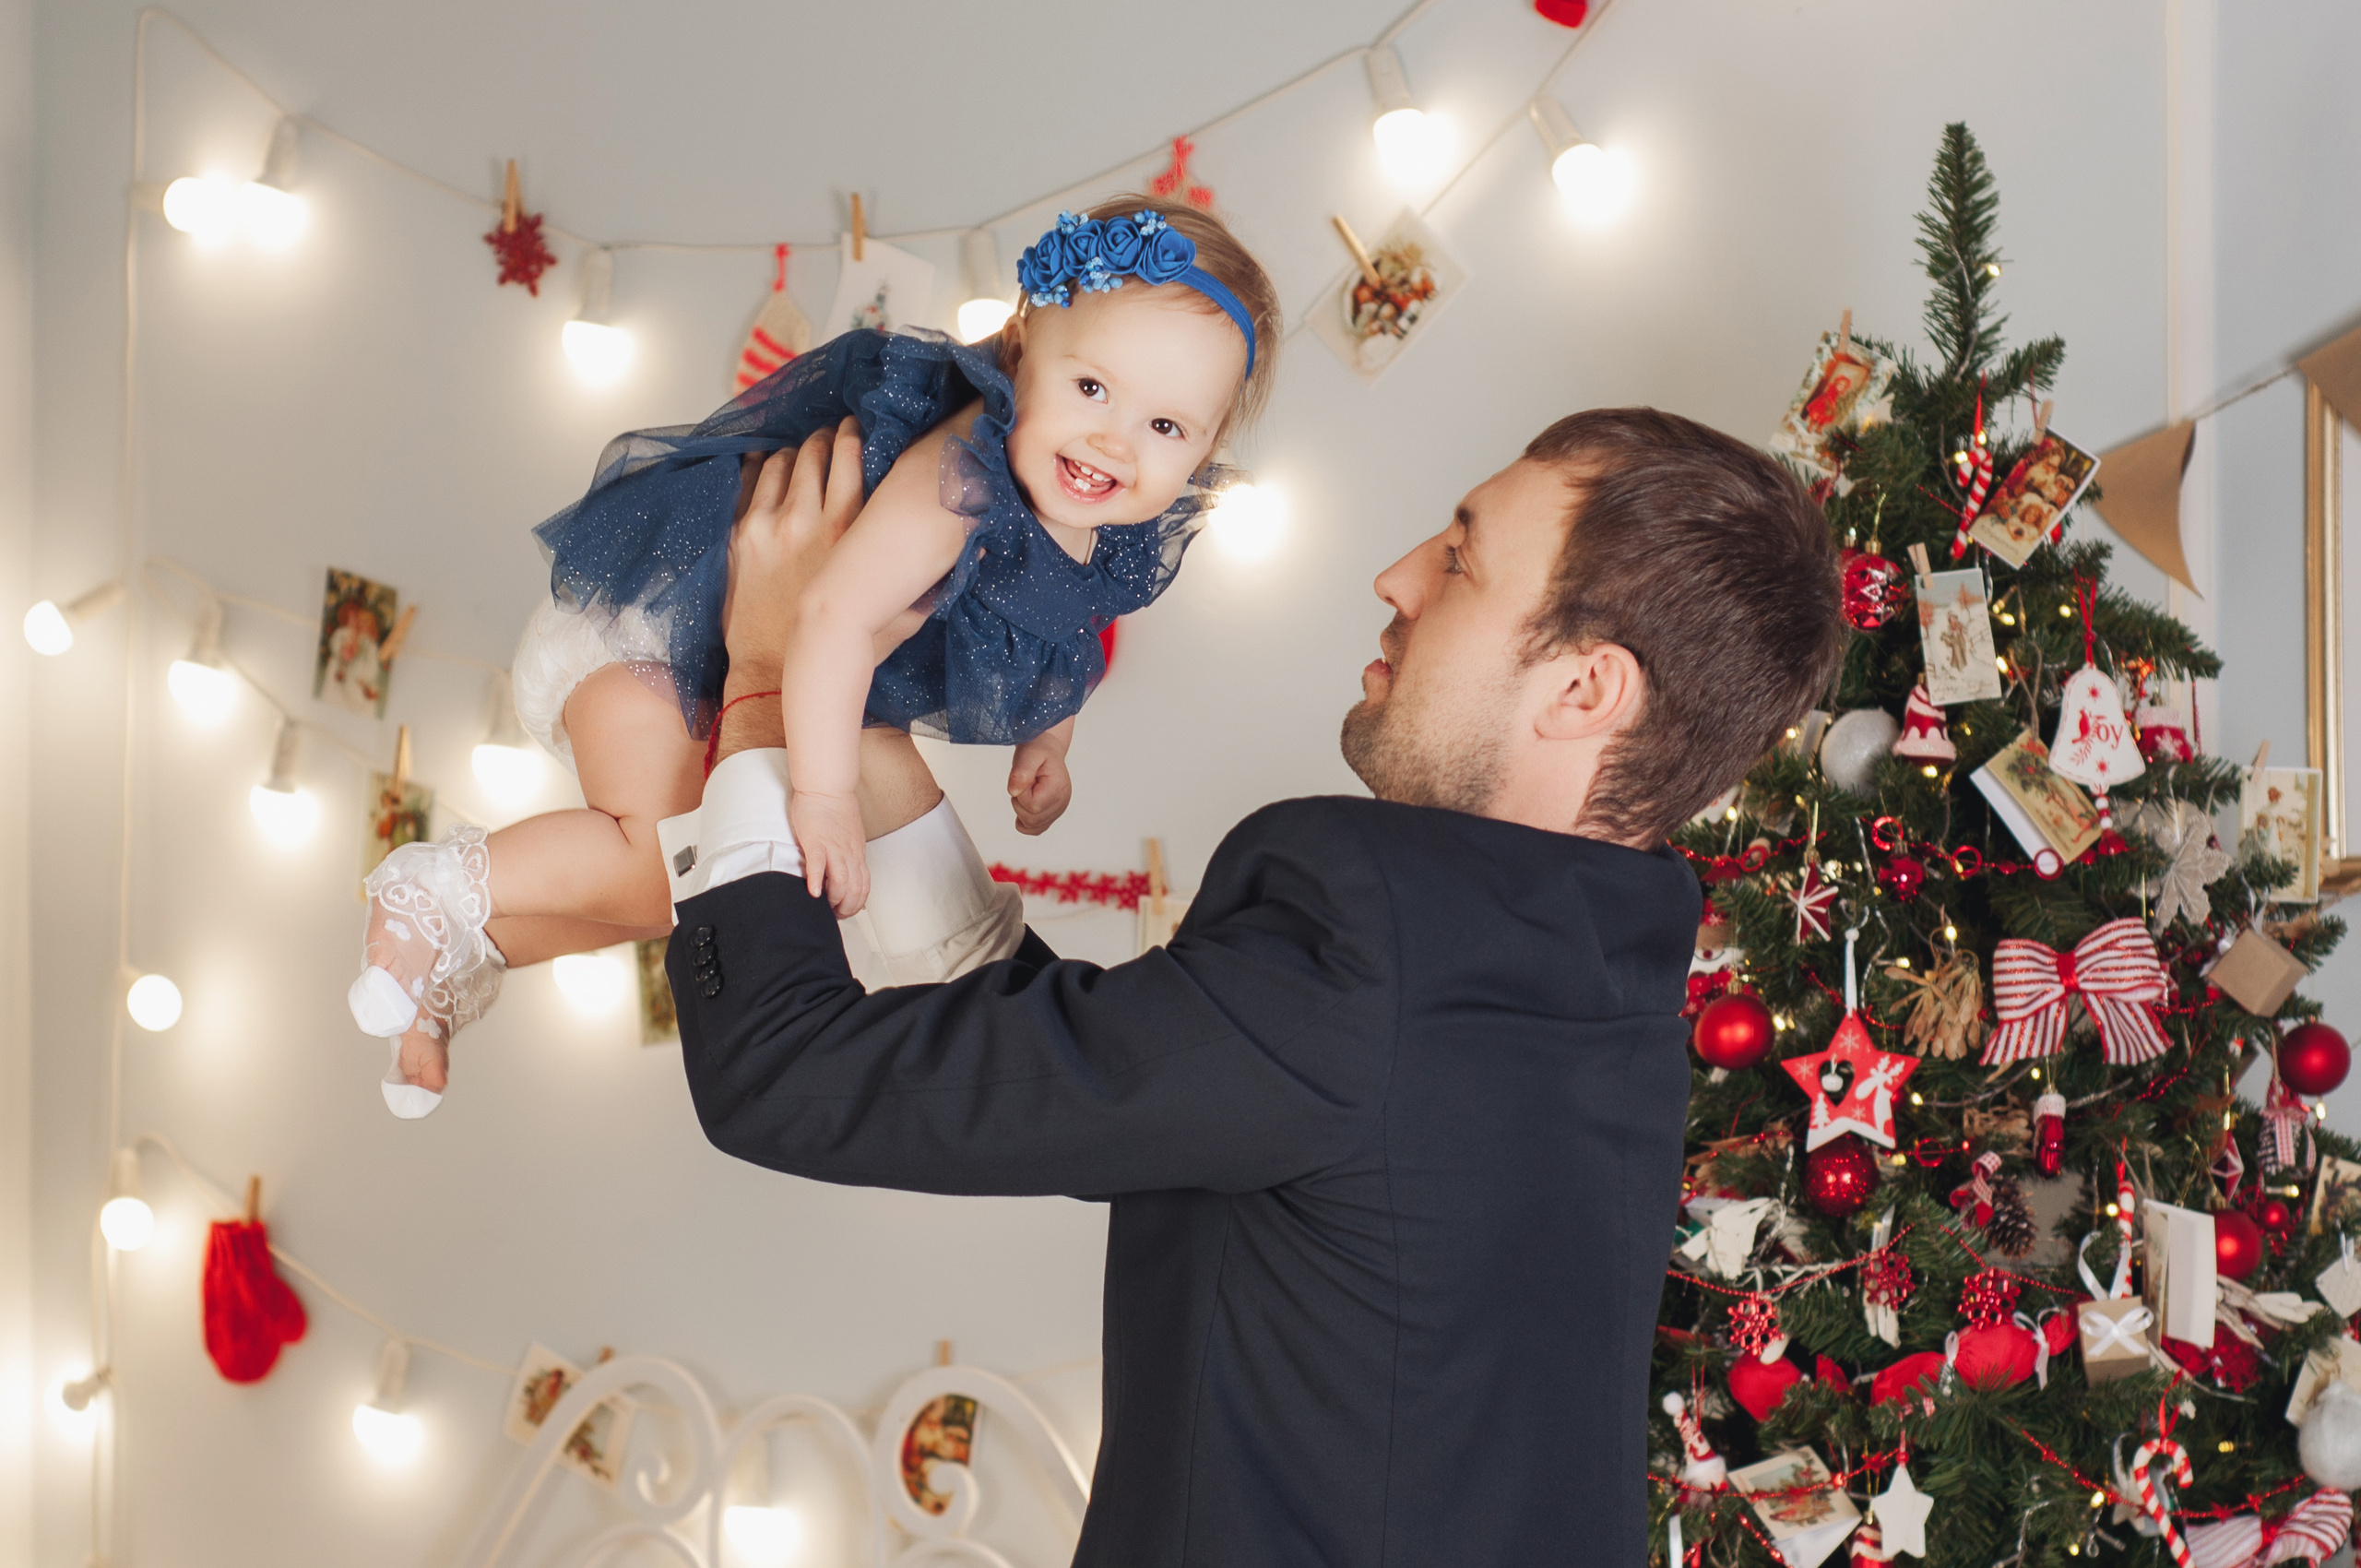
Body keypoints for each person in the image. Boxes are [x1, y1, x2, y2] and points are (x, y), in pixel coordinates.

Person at [661, 405, 1847, 1564]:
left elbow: (780, 1069)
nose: (1397, 577)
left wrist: (766, 671)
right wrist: (856, 735)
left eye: (1461, 559)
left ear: (1584, 690)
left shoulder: (1374, 930)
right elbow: (1129, 1084)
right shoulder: (1602, 978)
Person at [342, 196, 1280, 1117]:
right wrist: (824, 799)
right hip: (659, 624)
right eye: (1091, 388)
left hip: (722, 656)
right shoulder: (960, 476)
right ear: (1020, 350)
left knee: (673, 892)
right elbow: (831, 612)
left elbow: (1067, 623)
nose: (1114, 441)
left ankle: (444, 973)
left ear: (1206, 448)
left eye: (1167, 427)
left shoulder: (1105, 523)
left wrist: (1051, 741)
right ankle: (430, 890)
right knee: (666, 866)